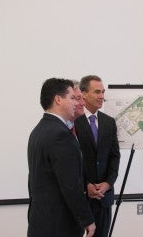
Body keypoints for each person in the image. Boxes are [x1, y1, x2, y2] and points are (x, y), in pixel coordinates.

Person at [27, 78, 95, 237]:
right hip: (59, 226)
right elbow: (71, 185)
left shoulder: (38, 130)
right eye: (72, 98)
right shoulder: (61, 135)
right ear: (58, 99)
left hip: (41, 222)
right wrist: (87, 219)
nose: (77, 103)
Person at [74, 75, 120, 237]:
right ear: (83, 93)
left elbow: (114, 156)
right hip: (80, 197)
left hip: (104, 198)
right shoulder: (73, 121)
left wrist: (108, 183)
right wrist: (86, 185)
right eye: (97, 92)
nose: (102, 96)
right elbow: (71, 160)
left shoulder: (109, 122)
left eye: (103, 92)